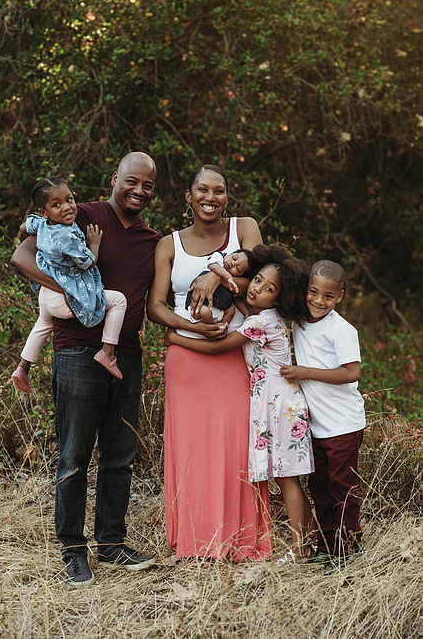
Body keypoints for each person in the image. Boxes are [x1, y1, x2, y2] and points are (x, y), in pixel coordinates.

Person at [12, 152, 162, 587]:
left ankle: (112, 544)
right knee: (75, 457)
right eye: (131, 181)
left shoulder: (153, 239)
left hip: (125, 355)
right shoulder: (85, 215)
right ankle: (73, 551)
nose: (138, 190)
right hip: (78, 352)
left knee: (119, 457)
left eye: (148, 186)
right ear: (115, 178)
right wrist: (75, 293)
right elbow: (23, 256)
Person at [147, 164, 272, 561]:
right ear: (189, 195)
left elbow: (263, 272)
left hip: (235, 354)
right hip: (188, 358)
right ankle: (196, 542)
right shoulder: (170, 244)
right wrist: (189, 328)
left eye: (219, 191)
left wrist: (214, 275)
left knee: (235, 446)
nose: (210, 197)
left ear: (227, 198)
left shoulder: (244, 228)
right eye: (202, 189)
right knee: (191, 449)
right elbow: (154, 306)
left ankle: (238, 542)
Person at [165, 244, 315, 563]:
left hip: (280, 406)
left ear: (280, 297)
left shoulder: (261, 322)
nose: (258, 288)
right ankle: (308, 542)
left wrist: (175, 338)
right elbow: (243, 304)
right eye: (257, 280)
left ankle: (301, 551)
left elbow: (219, 348)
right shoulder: (262, 316)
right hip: (275, 402)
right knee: (289, 478)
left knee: (288, 479)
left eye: (268, 288)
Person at [280, 259, 366, 570]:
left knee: (342, 487)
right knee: (320, 488)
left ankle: (348, 550)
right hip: (315, 426)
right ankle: (326, 546)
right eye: (313, 292)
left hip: (343, 423)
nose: (319, 301)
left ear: (340, 296)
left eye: (328, 296)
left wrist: (305, 372)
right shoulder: (300, 321)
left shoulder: (341, 329)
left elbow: (351, 373)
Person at [11, 176, 127, 394]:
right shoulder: (68, 235)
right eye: (56, 205)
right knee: (119, 301)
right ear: (44, 211)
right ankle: (108, 351)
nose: (66, 207)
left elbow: (25, 225)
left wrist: (32, 228)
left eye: (69, 200)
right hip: (64, 295)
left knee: (42, 325)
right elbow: (87, 262)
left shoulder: (41, 224)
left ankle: (22, 367)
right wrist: (94, 244)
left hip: (45, 294)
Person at [184, 247, 256, 325]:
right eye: (234, 258)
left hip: (219, 309)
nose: (233, 263)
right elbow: (213, 266)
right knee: (205, 313)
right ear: (230, 254)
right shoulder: (218, 258)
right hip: (200, 304)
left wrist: (246, 313)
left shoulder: (232, 282)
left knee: (231, 310)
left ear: (240, 276)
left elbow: (237, 300)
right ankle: (210, 327)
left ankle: (221, 326)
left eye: (238, 268)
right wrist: (227, 277)